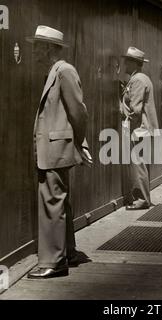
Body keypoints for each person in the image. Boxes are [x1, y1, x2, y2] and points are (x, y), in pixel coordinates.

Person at [26, 26, 92, 279]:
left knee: (52, 202)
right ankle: (69, 253)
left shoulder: (64, 71)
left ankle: (53, 262)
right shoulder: (56, 71)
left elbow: (78, 111)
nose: (35, 51)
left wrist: (81, 142)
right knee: (59, 200)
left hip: (56, 147)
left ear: (51, 48)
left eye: (38, 45)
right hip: (54, 147)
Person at [120, 47, 159, 210]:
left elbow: (135, 109)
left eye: (127, 61)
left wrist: (121, 106)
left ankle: (142, 199)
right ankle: (143, 197)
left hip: (139, 129)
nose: (124, 64)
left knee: (139, 164)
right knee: (141, 164)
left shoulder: (137, 80)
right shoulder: (142, 78)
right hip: (145, 129)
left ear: (134, 63)